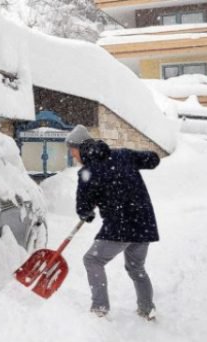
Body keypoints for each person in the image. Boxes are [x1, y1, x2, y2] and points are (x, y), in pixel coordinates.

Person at [65, 125, 160, 321]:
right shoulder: (123, 154)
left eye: (72, 151)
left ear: (81, 148)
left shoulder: (87, 172)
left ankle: (99, 308)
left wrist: (87, 212)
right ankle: (147, 309)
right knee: (136, 267)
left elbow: (84, 210)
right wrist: (146, 157)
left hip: (120, 227)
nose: (73, 156)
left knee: (92, 260)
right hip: (144, 223)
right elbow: (152, 159)